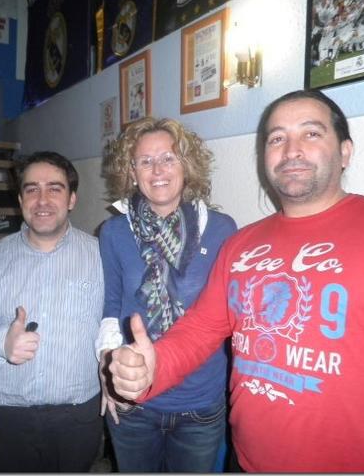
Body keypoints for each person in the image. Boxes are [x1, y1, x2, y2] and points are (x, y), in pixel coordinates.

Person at [108, 90, 364, 472]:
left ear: (345, 152)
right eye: (277, 138)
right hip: (247, 462)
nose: (291, 150)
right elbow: (201, 329)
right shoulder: (241, 244)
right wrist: (153, 367)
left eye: (311, 133)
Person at [96, 117, 237, 472]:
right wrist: (108, 367)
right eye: (145, 161)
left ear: (186, 166)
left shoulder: (221, 229)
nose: (157, 170)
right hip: (134, 401)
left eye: (168, 158)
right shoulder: (113, 232)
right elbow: (111, 306)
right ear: (132, 172)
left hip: (200, 404)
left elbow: (227, 314)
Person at [0, 151, 105, 472]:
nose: (42, 200)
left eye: (55, 188)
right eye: (32, 189)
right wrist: (1, 343)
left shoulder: (101, 257)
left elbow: (116, 327)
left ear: (72, 199)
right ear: (21, 199)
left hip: (79, 415)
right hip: (13, 416)